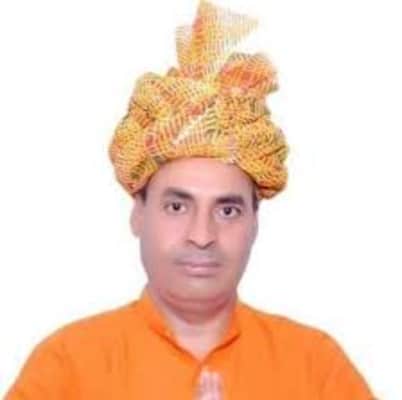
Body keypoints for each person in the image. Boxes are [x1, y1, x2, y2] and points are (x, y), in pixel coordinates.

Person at [4, 0, 377, 399]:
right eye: (177, 207)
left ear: (254, 223)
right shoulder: (66, 365)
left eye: (227, 210)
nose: (202, 235)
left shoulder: (316, 365)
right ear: (138, 213)